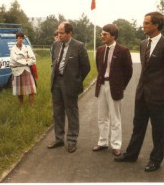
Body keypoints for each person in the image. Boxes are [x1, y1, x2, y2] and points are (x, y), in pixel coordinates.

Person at [114, 11, 164, 172]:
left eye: (146, 23)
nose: (142, 25)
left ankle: (155, 160)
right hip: (142, 93)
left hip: (158, 95)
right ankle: (131, 154)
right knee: (138, 125)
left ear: (156, 25)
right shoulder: (143, 44)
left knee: (158, 129)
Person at [47, 22, 90, 153]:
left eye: (61, 33)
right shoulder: (55, 45)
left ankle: (72, 140)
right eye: (58, 32)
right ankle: (59, 139)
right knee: (57, 112)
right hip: (56, 83)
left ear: (69, 33)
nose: (58, 35)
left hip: (70, 84)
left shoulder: (79, 46)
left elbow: (86, 67)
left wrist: (77, 81)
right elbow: (54, 61)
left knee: (71, 112)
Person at [93, 24, 133, 156]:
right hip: (102, 86)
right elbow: (99, 68)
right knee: (101, 117)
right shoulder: (99, 50)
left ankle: (116, 145)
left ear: (113, 36)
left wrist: (121, 86)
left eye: (105, 34)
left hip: (114, 87)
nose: (102, 36)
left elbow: (128, 71)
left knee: (115, 117)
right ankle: (102, 142)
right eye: (101, 34)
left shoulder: (122, 50)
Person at [10, 32, 36, 107]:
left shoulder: (27, 47)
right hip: (17, 72)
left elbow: (33, 59)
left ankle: (31, 106)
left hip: (27, 70)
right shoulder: (13, 49)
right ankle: (21, 106)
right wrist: (26, 59)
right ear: (16, 39)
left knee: (31, 90)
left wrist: (26, 62)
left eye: (22, 38)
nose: (21, 40)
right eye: (19, 38)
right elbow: (14, 61)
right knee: (19, 91)